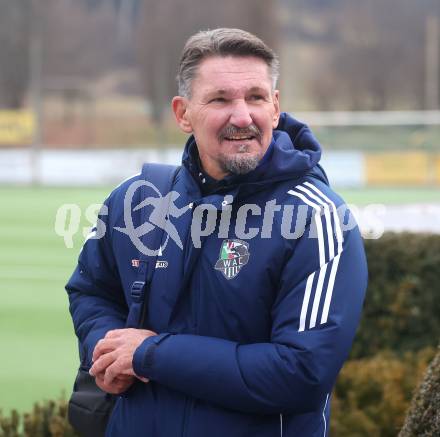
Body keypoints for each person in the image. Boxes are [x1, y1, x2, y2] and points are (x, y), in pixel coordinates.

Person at [66, 28, 368, 437]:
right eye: (220, 99)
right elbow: (92, 289)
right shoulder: (137, 201)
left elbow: (301, 374)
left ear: (275, 108)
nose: (242, 116)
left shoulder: (318, 219)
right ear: (182, 113)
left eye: (256, 97)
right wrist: (106, 348)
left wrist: (149, 354)